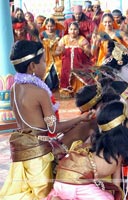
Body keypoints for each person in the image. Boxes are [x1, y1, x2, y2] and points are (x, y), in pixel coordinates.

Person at [0, 40, 95, 199]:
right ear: (32, 66)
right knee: (43, 195)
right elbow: (53, 129)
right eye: (44, 61)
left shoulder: (15, 88)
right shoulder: (40, 92)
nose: (46, 64)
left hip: (21, 151)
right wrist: (80, 118)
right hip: (38, 154)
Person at [45, 100, 128, 200]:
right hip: (76, 184)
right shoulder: (124, 146)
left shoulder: (99, 141)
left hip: (60, 184)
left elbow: (116, 182)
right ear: (123, 125)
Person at [55, 22, 93, 98]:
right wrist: (61, 50)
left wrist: (82, 48)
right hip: (66, 64)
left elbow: (89, 53)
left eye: (75, 29)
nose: (73, 31)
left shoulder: (82, 40)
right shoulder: (64, 39)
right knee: (65, 74)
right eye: (71, 29)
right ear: (68, 30)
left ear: (78, 30)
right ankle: (67, 90)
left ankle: (81, 90)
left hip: (80, 64)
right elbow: (57, 52)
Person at [39, 18, 64, 91]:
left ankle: (57, 86)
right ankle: (49, 86)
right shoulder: (42, 34)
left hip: (57, 55)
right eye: (48, 26)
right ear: (45, 26)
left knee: (57, 69)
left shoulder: (58, 33)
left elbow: (62, 44)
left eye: (52, 26)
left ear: (55, 25)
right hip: (47, 55)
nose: (50, 28)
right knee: (47, 71)